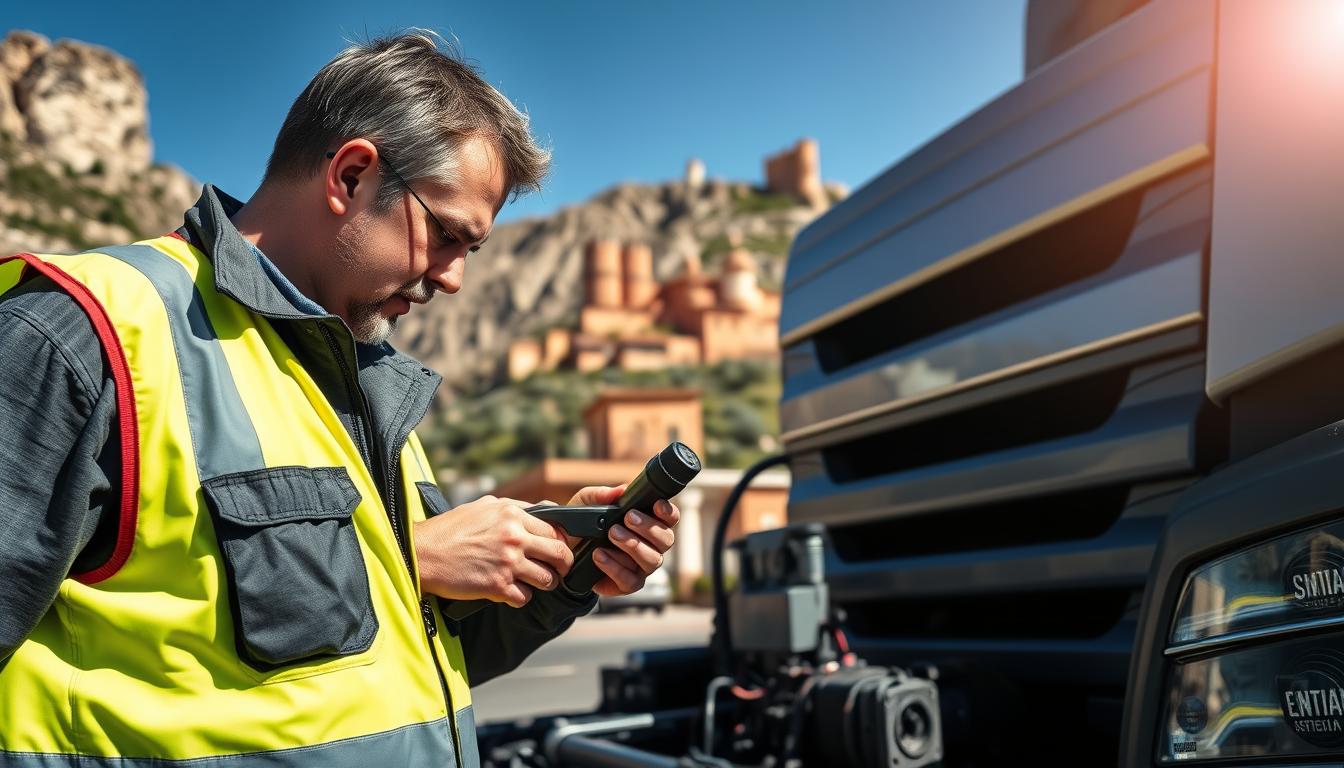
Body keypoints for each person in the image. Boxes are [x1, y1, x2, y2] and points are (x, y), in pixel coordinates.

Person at [0, 32, 679, 767]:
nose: (453, 278)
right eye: (448, 235)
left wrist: (562, 574)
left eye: (471, 251)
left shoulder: (368, 387)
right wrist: (409, 558)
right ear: (351, 176)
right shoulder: (80, 333)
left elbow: (399, 669)